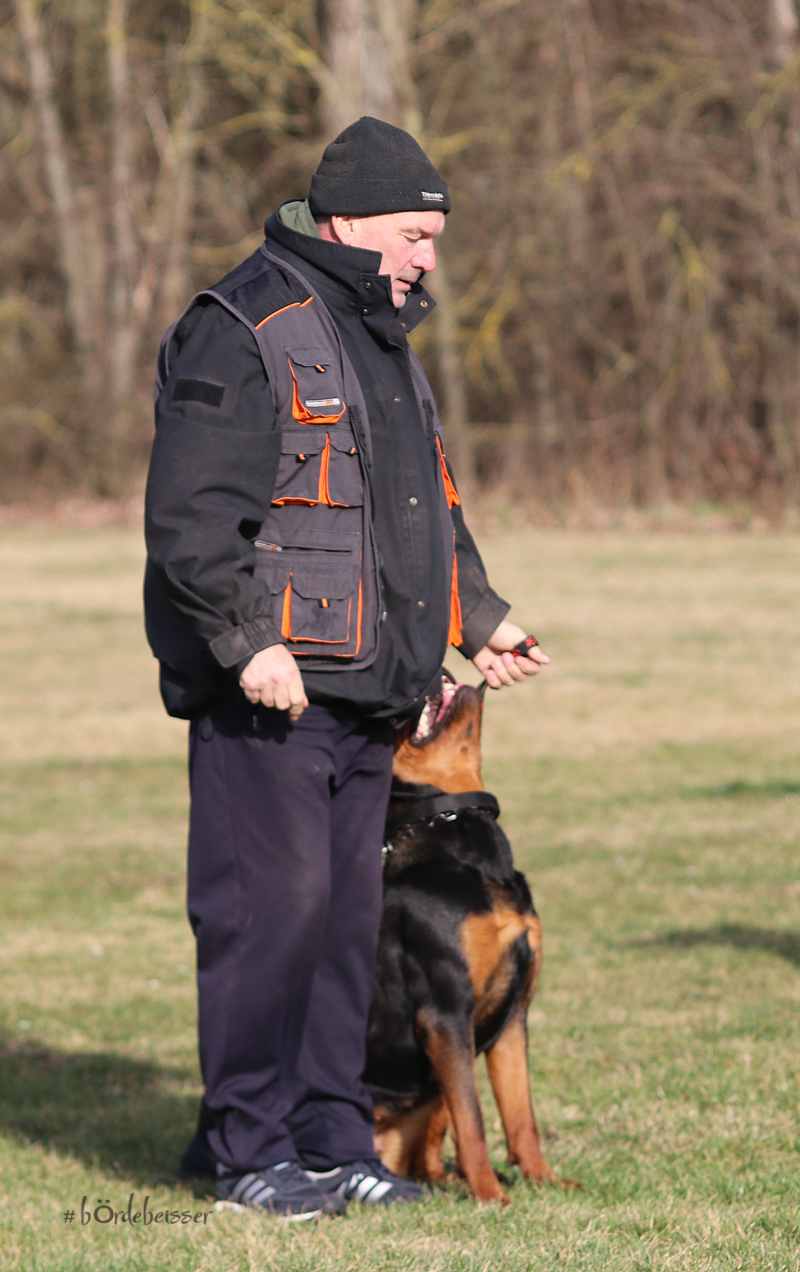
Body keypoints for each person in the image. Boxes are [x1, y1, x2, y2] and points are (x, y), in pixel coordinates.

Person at [144, 116, 549, 1219]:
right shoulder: (244, 325)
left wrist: (478, 619)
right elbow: (190, 519)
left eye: (433, 236)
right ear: (347, 221)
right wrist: (246, 641)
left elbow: (421, 508)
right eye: (415, 234)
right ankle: (247, 1152)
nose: (428, 254)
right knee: (265, 920)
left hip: (373, 693)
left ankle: (331, 1141)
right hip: (271, 694)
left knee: (339, 931)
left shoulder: (379, 336)